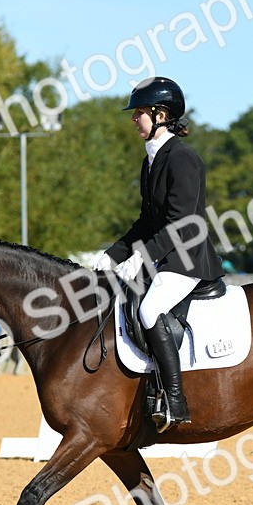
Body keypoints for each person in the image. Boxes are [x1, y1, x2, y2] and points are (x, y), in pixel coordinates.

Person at [94, 77, 223, 431]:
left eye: (139, 113)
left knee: (150, 309)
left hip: (188, 259)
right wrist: (115, 254)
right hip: (165, 255)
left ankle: (176, 400)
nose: (134, 119)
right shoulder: (151, 160)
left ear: (161, 114)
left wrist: (144, 256)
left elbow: (184, 223)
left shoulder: (182, 158)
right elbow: (146, 220)